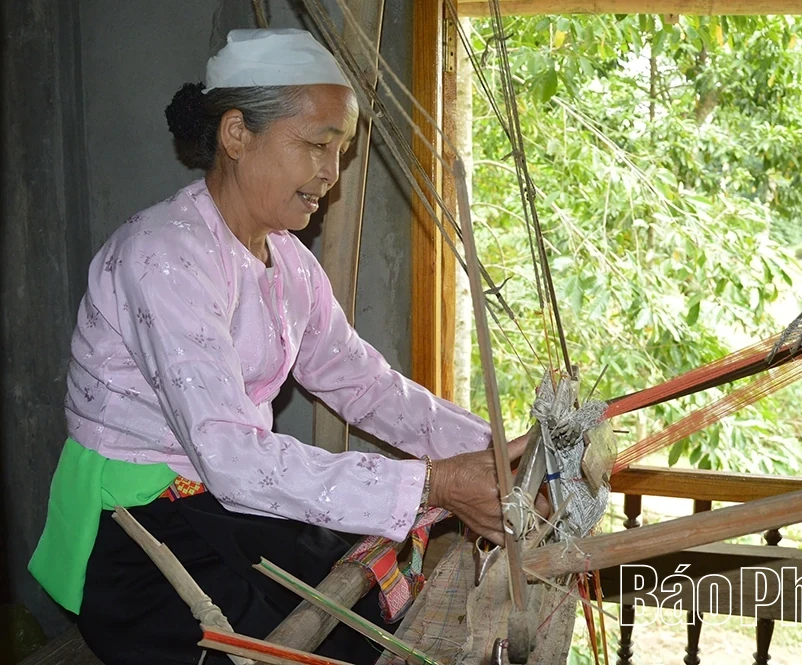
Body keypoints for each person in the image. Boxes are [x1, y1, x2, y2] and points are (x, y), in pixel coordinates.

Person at [28, 28, 530, 665]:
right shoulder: (164, 258)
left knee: (365, 604)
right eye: (317, 144)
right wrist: (432, 485)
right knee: (312, 638)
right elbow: (232, 456)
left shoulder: (287, 261)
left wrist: (489, 452)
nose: (332, 173)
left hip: (215, 502)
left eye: (342, 151)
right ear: (237, 135)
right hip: (139, 531)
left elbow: (363, 383)